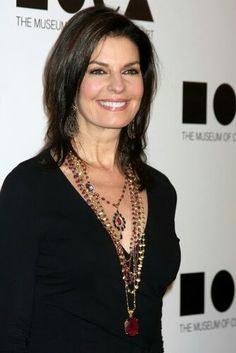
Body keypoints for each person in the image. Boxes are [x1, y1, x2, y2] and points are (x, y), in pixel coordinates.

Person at [0, 5, 180, 353]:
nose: (117, 86)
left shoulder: (160, 192)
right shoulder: (30, 189)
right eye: (99, 70)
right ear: (71, 80)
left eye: (130, 70)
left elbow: (151, 326)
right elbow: (8, 331)